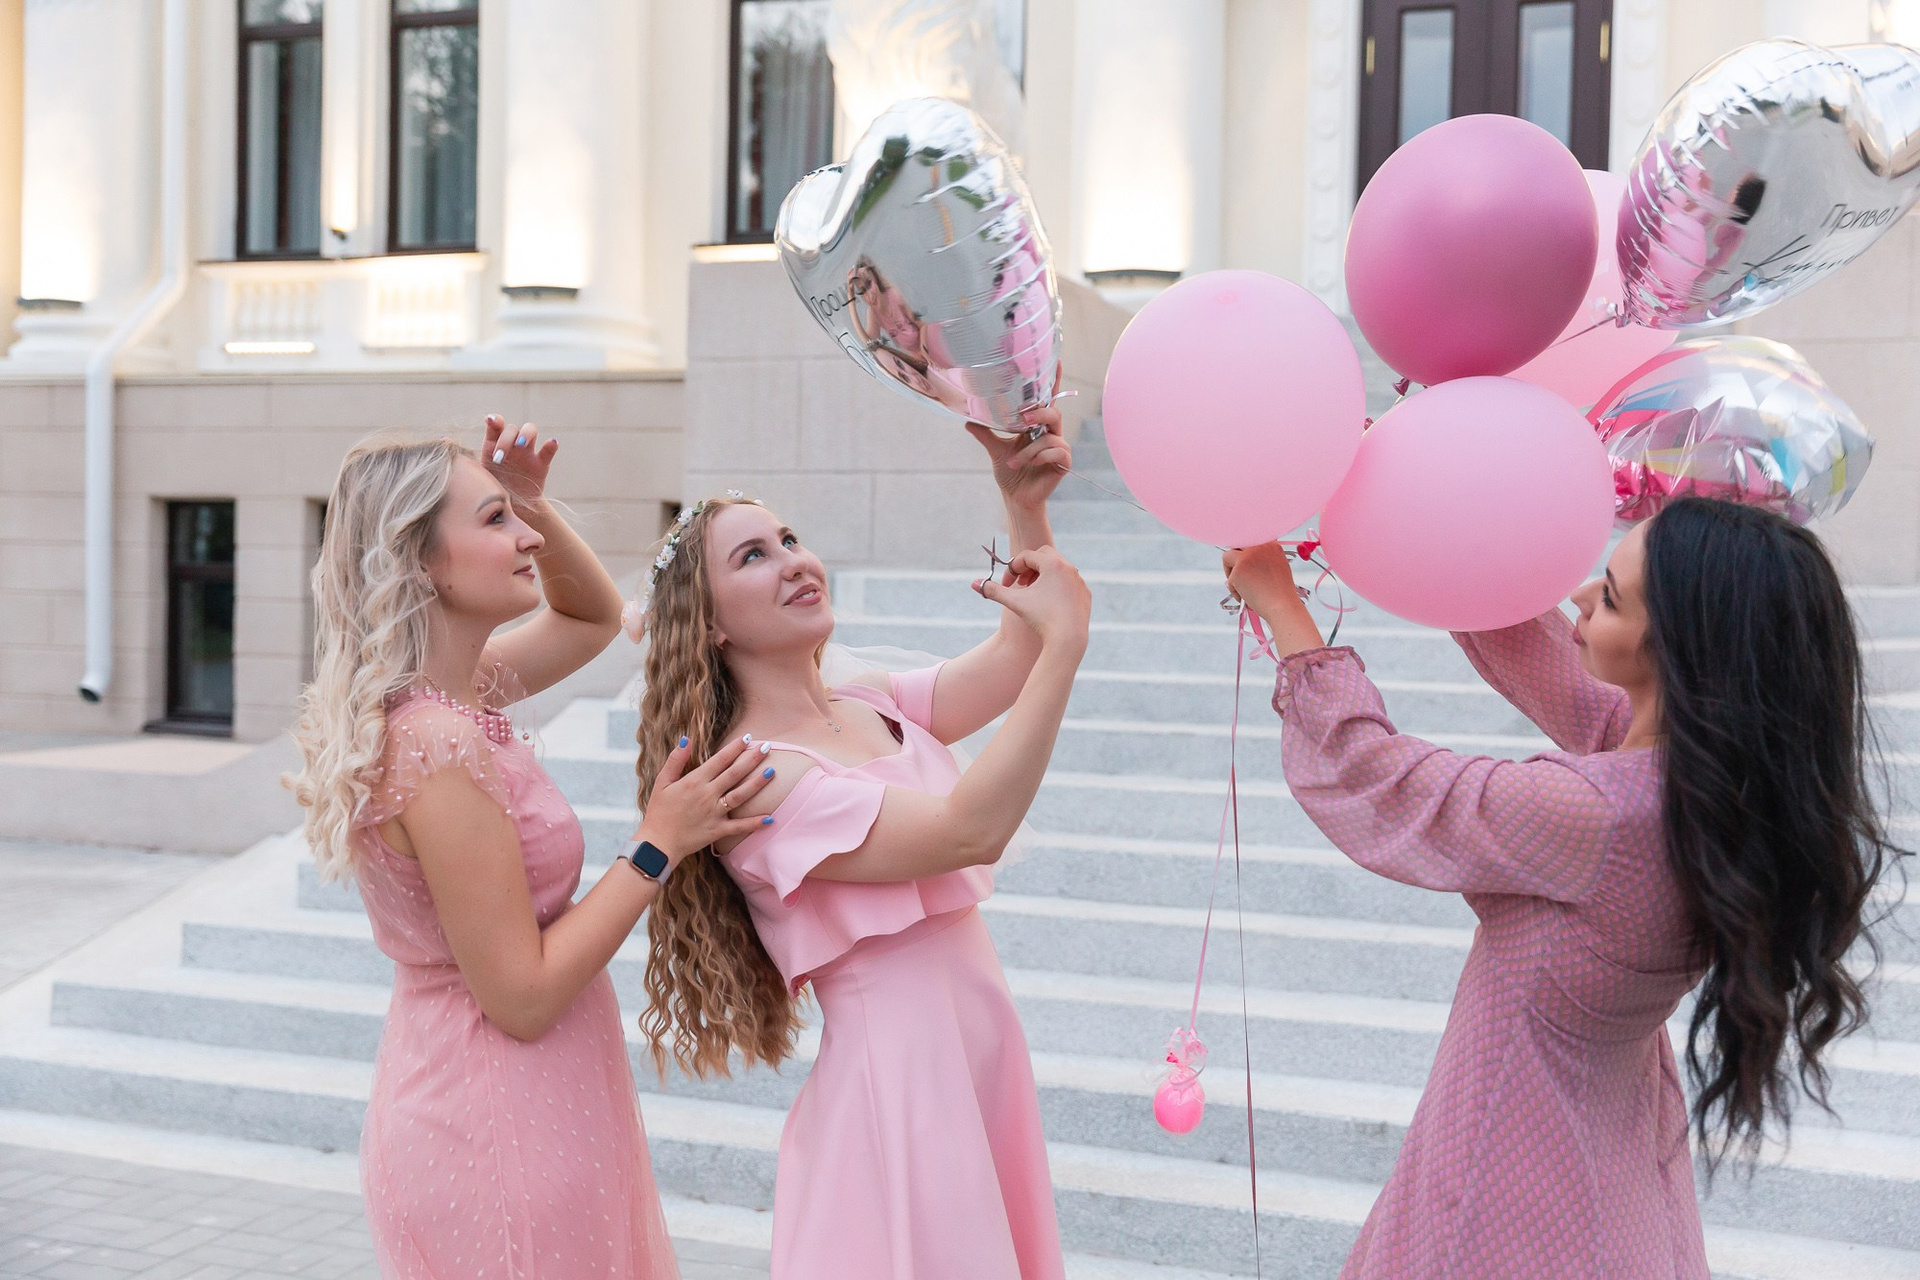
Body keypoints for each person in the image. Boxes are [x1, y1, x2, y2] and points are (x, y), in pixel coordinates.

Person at [1222, 496, 1895, 1280]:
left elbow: (1381, 781)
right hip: (1606, 1147)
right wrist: (1431, 507)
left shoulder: (1597, 812)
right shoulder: (1717, 780)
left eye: (1609, 596)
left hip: (1511, 1163)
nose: (1578, 596)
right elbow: (1541, 657)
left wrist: (1283, 606)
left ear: (1678, 651)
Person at [288, 418, 779, 1279]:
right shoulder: (436, 741)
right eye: (495, 521)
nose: (528, 539)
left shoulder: (457, 692)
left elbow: (592, 618)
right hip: (494, 1126)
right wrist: (658, 844)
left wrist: (530, 499)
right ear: (420, 562)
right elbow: (521, 996)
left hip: (526, 1103)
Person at [629, 408, 1084, 1278]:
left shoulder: (868, 701)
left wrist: (1022, 505)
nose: (793, 560)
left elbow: (1013, 657)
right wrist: (1067, 647)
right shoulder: (756, 779)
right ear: (709, 623)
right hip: (901, 1086)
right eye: (752, 556)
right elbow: (969, 830)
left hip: (976, 1051)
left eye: (789, 538)